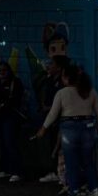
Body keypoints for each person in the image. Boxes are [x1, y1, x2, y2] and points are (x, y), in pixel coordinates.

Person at [37, 64, 98, 196]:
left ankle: (73, 195)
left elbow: (52, 114)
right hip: (88, 126)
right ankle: (96, 191)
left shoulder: (62, 93)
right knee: (88, 161)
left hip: (69, 128)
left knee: (71, 163)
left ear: (66, 78)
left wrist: (43, 128)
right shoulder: (90, 91)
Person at [0, 61, 26, 182]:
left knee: (10, 142)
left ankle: (17, 170)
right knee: (2, 142)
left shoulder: (15, 83)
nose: (2, 73)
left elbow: (15, 99)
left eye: (4, 70)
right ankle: (6, 168)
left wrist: (1, 106)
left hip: (10, 115)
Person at [39, 55, 69, 183]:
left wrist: (50, 108)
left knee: (60, 147)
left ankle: (62, 174)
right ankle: (57, 171)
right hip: (51, 117)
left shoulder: (64, 84)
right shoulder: (49, 80)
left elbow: (62, 104)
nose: (48, 66)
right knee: (53, 145)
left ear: (59, 67)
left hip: (60, 119)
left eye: (52, 64)